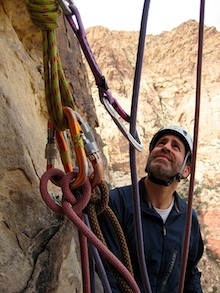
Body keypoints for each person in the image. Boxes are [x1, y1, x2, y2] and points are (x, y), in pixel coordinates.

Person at [98, 125, 204, 292]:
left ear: (186, 170)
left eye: (175, 146)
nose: (166, 147)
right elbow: (108, 272)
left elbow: (190, 273)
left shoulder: (188, 219)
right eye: (161, 143)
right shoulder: (116, 203)